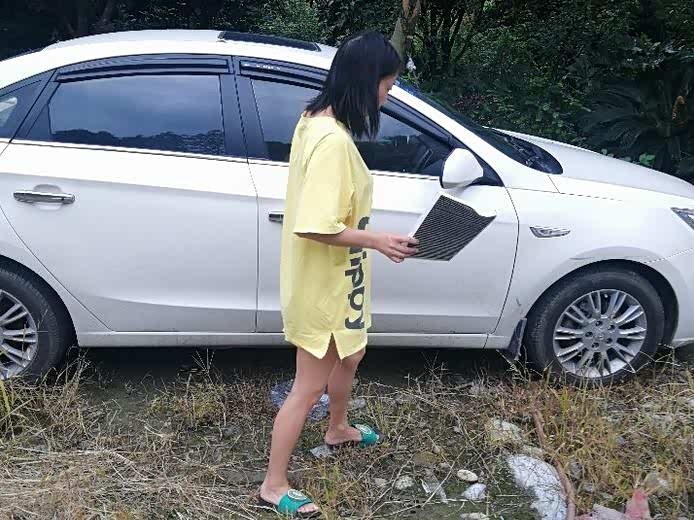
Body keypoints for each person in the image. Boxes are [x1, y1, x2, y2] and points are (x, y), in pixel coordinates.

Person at [259, 31, 419, 517]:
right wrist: (379, 240)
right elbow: (314, 225)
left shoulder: (316, 119)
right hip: (323, 287)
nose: (387, 97)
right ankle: (273, 485)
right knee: (307, 387)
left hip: (340, 278)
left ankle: (338, 428)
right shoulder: (331, 142)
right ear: (367, 83)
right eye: (387, 86)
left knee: (353, 353)